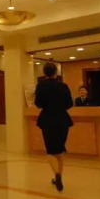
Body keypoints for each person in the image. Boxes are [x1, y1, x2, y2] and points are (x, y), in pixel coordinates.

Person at [34, 62, 74, 191]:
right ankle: (58, 176)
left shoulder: (41, 86)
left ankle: (57, 174)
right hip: (62, 120)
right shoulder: (63, 86)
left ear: (44, 73)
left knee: (50, 151)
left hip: (47, 120)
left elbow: (38, 103)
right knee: (59, 150)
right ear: (56, 72)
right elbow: (69, 103)